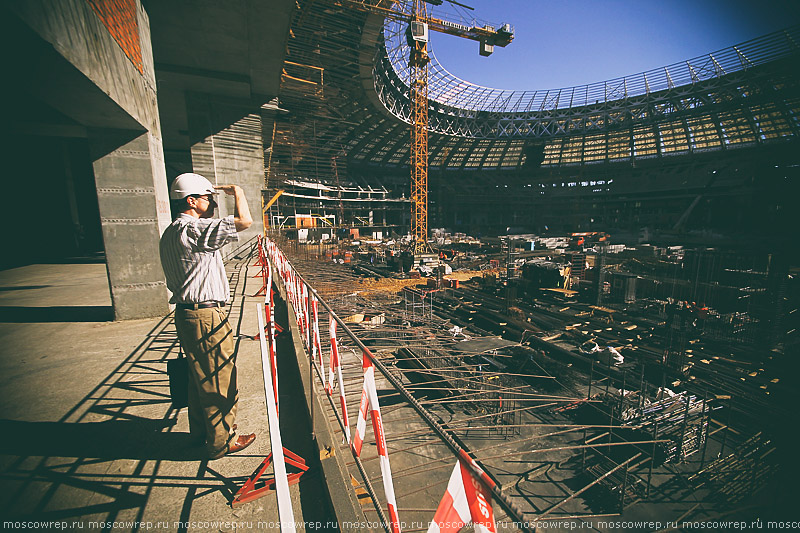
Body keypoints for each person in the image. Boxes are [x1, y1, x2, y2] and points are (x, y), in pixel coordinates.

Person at [159, 172, 255, 459]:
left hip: (188, 315)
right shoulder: (193, 231)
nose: (213, 204)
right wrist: (236, 191)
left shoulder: (171, 232)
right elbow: (244, 222)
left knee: (199, 378)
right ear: (191, 201)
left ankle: (205, 432)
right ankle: (221, 442)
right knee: (219, 379)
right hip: (205, 316)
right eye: (208, 198)